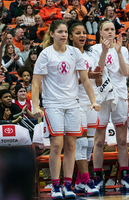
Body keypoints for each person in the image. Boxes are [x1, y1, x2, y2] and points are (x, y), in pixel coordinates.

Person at [31, 20, 101, 199]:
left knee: (71, 145)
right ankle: (55, 185)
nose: (63, 35)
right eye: (60, 32)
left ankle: (68, 185)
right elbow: (36, 82)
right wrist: (36, 106)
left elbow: (85, 79)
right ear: (52, 34)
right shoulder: (46, 54)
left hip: (73, 103)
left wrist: (93, 101)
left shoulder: (75, 52)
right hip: (53, 104)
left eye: (65, 32)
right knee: (57, 145)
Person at [91, 21, 129, 191]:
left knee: (123, 140)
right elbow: (98, 72)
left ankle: (125, 176)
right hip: (101, 96)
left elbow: (125, 73)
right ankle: (97, 177)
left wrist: (117, 52)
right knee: (100, 140)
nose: (110, 32)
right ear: (100, 32)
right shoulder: (95, 49)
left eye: (112, 29)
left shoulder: (123, 49)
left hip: (119, 95)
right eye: (106, 29)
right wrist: (104, 52)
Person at [67, 20, 100, 196]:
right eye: (78, 33)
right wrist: (88, 77)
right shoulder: (68, 55)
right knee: (80, 142)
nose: (82, 36)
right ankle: (87, 180)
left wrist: (97, 75)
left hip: (91, 100)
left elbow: (96, 79)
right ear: (70, 36)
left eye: (84, 33)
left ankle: (80, 180)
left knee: (89, 143)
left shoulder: (90, 55)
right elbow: (69, 82)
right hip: (76, 100)